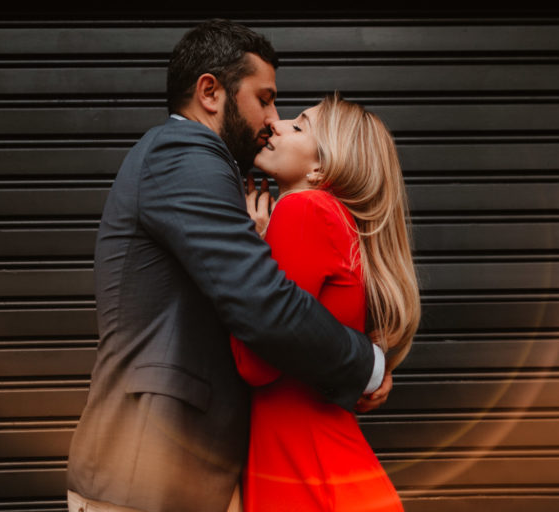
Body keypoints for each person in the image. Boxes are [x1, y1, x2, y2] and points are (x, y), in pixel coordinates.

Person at [65, 20, 390, 512]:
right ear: (210, 92)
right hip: (145, 473)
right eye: (264, 99)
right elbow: (263, 304)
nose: (272, 118)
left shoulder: (200, 166)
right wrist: (366, 364)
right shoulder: (184, 154)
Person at [231, 92, 421, 511]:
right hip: (326, 472)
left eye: (298, 126)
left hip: (307, 477)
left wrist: (245, 251)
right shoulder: (336, 220)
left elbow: (255, 365)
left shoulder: (302, 210)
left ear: (321, 167)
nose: (276, 124)